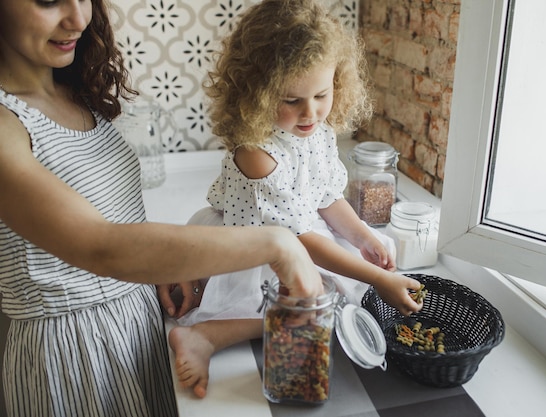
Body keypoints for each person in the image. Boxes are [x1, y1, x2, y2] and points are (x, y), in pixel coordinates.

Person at [0, 0, 324, 416]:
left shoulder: (73, 91)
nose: (79, 19)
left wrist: (162, 265)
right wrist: (281, 245)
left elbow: (110, 216)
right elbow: (101, 246)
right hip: (75, 356)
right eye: (48, 0)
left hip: (136, 325)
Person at [168, 0, 424, 400]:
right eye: (292, 101)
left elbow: (325, 199)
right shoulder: (258, 153)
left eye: (322, 95)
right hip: (250, 248)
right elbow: (296, 241)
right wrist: (375, 277)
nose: (311, 113)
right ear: (256, 93)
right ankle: (206, 336)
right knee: (308, 299)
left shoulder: (315, 132)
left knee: (343, 279)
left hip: (299, 234)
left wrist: (362, 238)